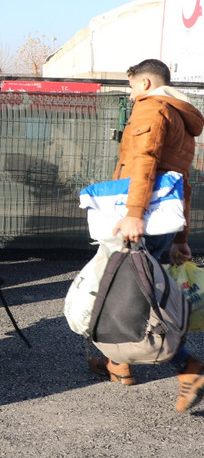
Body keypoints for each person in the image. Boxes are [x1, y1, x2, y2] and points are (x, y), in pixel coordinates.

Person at [87, 58, 204, 413]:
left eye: (132, 85)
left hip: (140, 217)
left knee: (120, 292)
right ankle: (117, 364)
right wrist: (181, 236)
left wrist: (134, 215)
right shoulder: (181, 118)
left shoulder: (151, 109)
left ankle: (188, 367)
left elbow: (144, 163)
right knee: (127, 289)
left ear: (147, 84)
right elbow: (180, 181)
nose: (131, 93)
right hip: (163, 220)